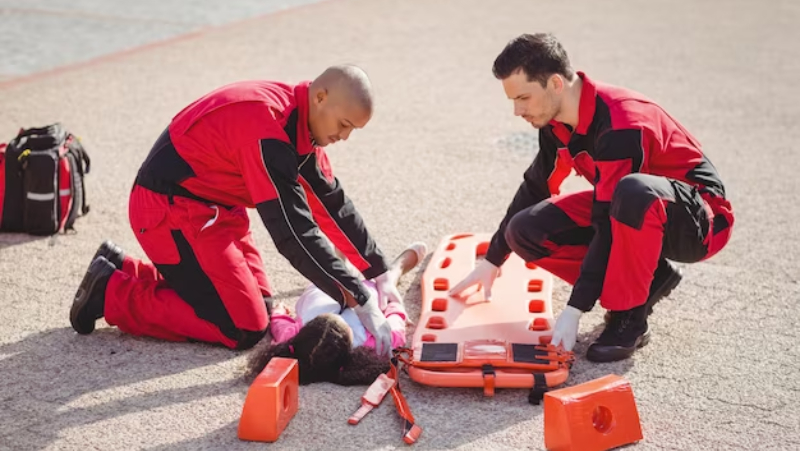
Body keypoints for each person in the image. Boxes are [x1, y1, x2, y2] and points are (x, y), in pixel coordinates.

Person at [70, 65, 400, 354]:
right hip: (168, 210)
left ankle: (123, 265)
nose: (344, 137)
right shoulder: (267, 131)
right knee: (242, 327)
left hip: (215, 210)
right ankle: (111, 291)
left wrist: (378, 274)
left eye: (352, 130)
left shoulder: (301, 124)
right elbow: (293, 233)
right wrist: (361, 298)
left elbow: (331, 203)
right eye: (344, 124)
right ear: (320, 98)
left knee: (263, 305)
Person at [450, 34, 734, 362]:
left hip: (700, 221)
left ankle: (630, 315)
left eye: (524, 98)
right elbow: (535, 187)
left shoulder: (621, 123)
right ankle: (652, 277)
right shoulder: (555, 123)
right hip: (629, 206)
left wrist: (575, 307)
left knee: (632, 192)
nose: (517, 111)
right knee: (523, 231)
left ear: (555, 83)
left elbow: (608, 222)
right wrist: (493, 259)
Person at [245, 242, 427, 385]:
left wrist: (279, 312)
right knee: (386, 288)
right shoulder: (374, 344)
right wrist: (392, 304)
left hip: (326, 285)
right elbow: (395, 322)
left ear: (303, 333)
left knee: (330, 274)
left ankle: (339, 264)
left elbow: (280, 325)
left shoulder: (292, 340)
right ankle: (394, 272)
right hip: (368, 290)